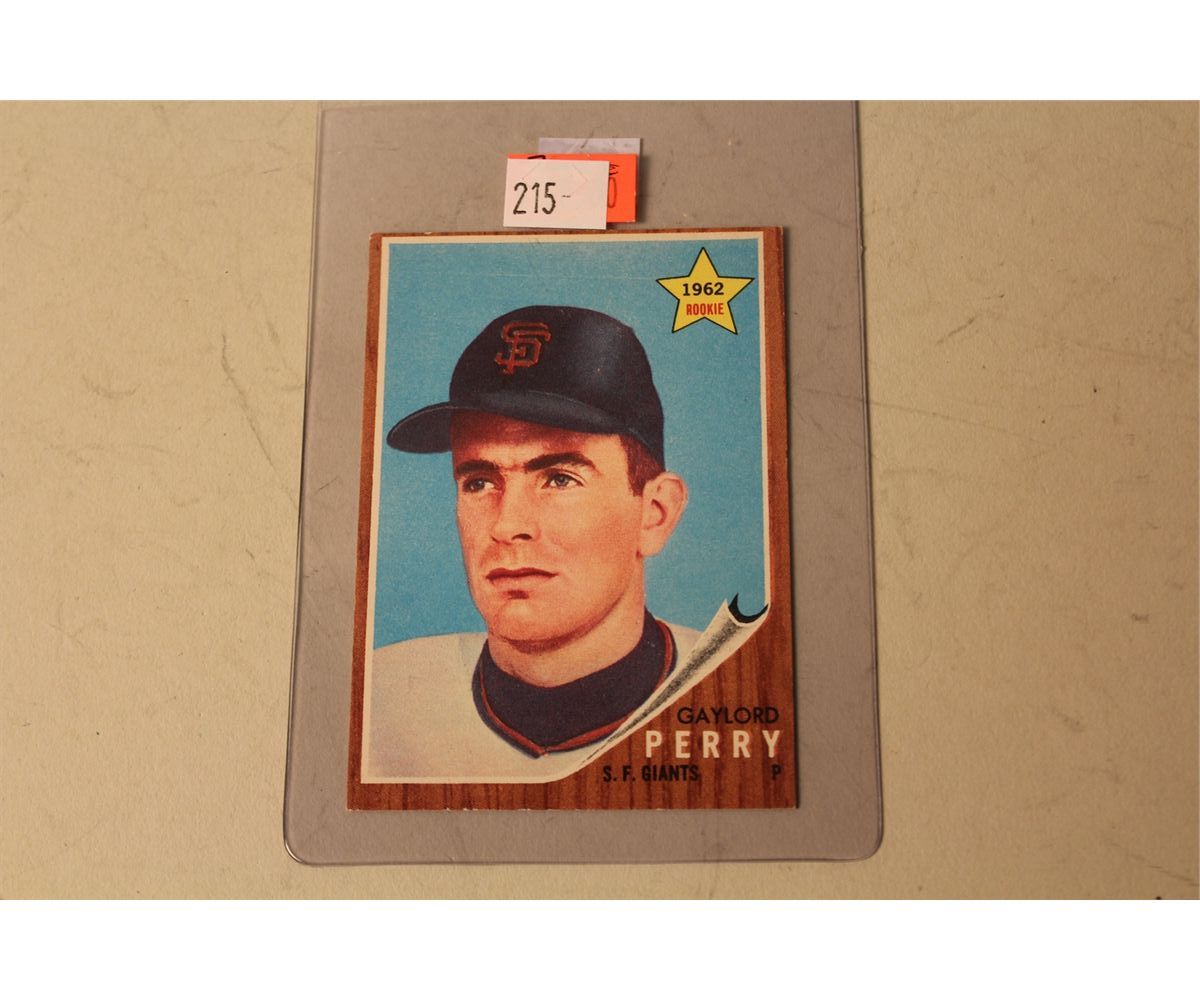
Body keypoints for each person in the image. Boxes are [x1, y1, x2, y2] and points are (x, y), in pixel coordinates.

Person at [363, 305, 699, 781]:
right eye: (479, 482)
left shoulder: (731, 681)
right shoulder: (379, 701)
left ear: (655, 513)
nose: (507, 525)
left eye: (559, 479)